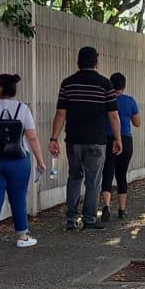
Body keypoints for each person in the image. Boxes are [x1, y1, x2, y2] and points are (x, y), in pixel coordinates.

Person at [49, 46, 121, 231]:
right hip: (97, 140)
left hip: (73, 139)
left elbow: (60, 113)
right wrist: (118, 138)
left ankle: (71, 219)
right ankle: (89, 219)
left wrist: (54, 138)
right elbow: (113, 115)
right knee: (93, 180)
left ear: (78, 62)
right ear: (96, 62)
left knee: (74, 177)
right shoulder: (105, 84)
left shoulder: (68, 83)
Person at [0, 73, 44, 252]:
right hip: (19, 159)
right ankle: (22, 236)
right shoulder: (22, 109)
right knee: (18, 198)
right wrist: (40, 160)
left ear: (0, 88)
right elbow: (31, 137)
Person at [100, 72, 142, 220]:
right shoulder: (130, 101)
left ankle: (106, 206)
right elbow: (137, 123)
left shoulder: (105, 100)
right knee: (121, 174)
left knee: (107, 172)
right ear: (124, 86)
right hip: (125, 138)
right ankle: (122, 210)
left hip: (106, 138)